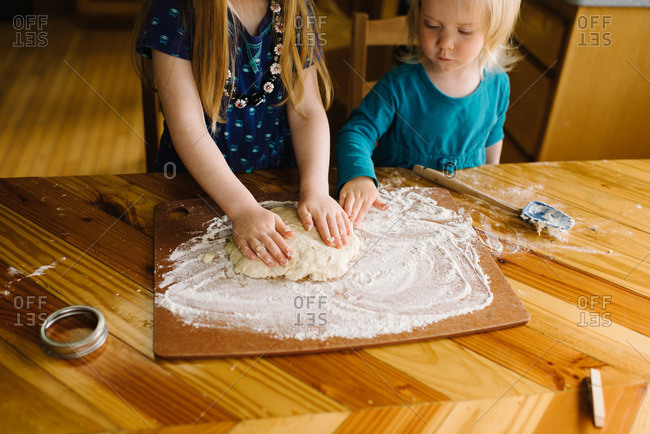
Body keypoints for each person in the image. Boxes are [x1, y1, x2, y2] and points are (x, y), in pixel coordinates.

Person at [133, 0, 352, 269]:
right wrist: (242, 209)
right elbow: (188, 126)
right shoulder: (175, 10)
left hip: (279, 180)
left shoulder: (295, 8)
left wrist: (316, 189)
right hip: (190, 188)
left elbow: (307, 108)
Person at [336, 0, 520, 226]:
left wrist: (490, 180)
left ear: (493, 31)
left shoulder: (498, 84)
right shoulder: (398, 86)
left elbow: (493, 136)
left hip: (459, 216)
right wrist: (359, 176)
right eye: (432, 25)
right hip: (392, 210)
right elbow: (355, 133)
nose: (445, 42)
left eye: (464, 31)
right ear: (417, 18)